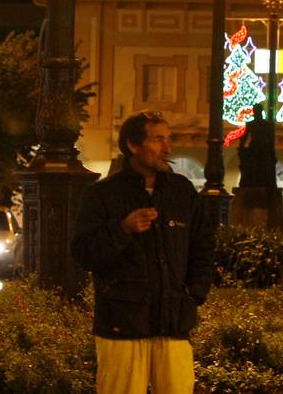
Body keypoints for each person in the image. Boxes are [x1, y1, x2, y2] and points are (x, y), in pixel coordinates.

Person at [71, 110, 215, 394]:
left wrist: (194, 293)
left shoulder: (181, 192)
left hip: (173, 322)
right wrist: (122, 229)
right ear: (133, 146)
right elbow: (83, 252)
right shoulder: (102, 195)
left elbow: (204, 245)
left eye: (168, 139)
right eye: (158, 139)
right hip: (122, 325)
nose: (167, 147)